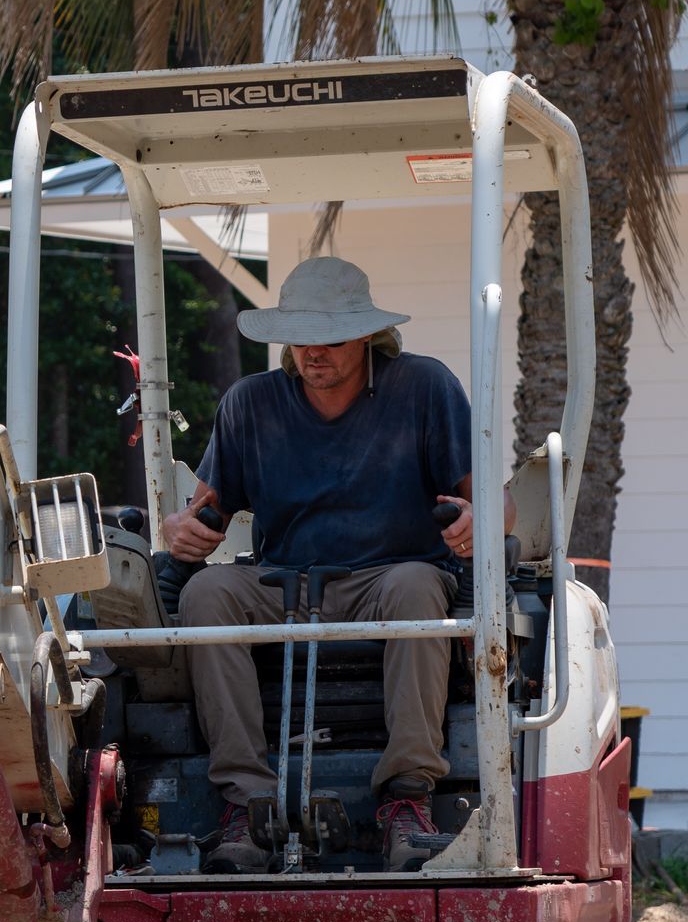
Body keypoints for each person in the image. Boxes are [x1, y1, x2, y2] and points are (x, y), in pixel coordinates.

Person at [161, 256, 501, 875]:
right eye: (301, 339)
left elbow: (490, 506)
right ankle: (246, 802)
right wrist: (180, 532)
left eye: (331, 339)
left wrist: (480, 520)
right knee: (207, 593)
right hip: (283, 582)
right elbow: (200, 516)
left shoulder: (426, 387)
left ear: (369, 335)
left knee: (418, 587)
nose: (314, 353)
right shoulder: (249, 403)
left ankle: (406, 800)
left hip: (389, 579)